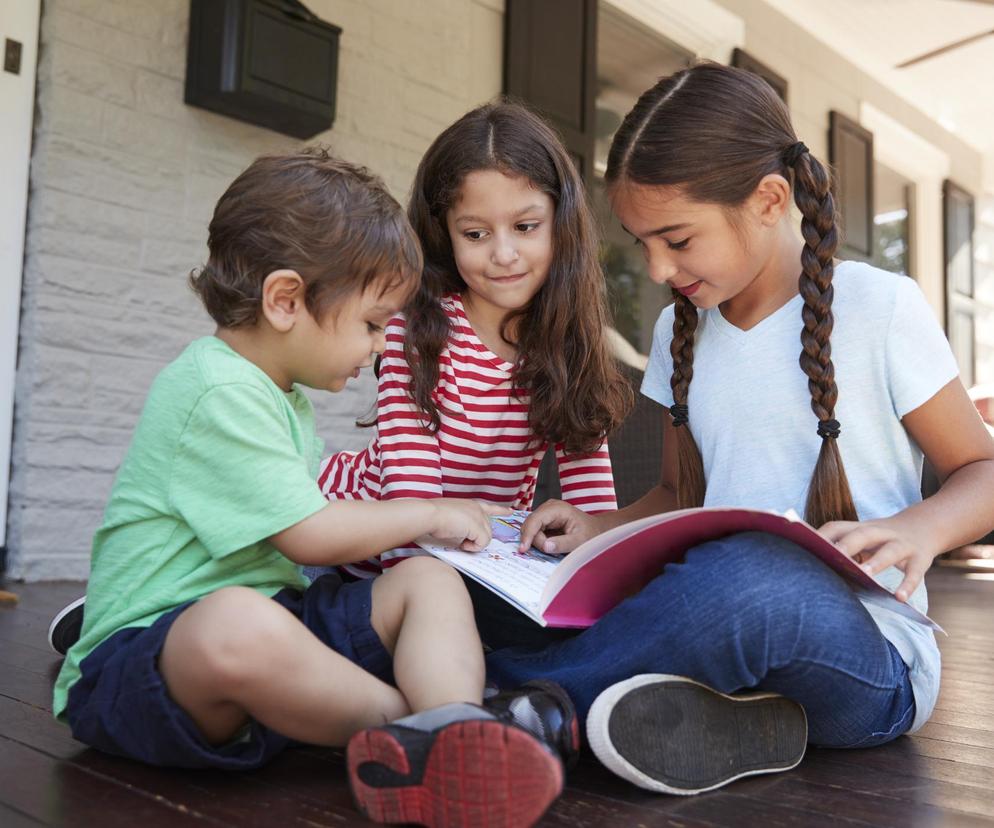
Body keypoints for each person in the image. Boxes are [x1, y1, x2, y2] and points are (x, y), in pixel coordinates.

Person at [481, 62, 994, 795]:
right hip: (718, 617)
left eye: (678, 240)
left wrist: (919, 530)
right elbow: (677, 494)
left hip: (869, 655)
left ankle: (496, 707)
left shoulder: (882, 308)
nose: (658, 267)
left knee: (756, 577)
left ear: (768, 199)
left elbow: (984, 470)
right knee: (497, 579)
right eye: (641, 244)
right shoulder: (676, 330)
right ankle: (737, 721)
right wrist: (597, 528)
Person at [51, 149, 576, 828]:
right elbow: (308, 534)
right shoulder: (214, 388)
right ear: (285, 300)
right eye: (370, 324)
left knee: (426, 581)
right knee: (235, 620)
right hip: (143, 666)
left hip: (273, 623)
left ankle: (457, 721)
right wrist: (429, 510)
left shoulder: (280, 394)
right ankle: (423, 736)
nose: (382, 347)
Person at [316, 101, 632, 590]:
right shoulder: (421, 329)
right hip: (353, 553)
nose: (503, 254)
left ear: (562, 222)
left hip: (474, 561)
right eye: (476, 233)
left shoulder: (566, 342)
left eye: (526, 227)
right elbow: (411, 504)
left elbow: (591, 514)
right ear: (445, 234)